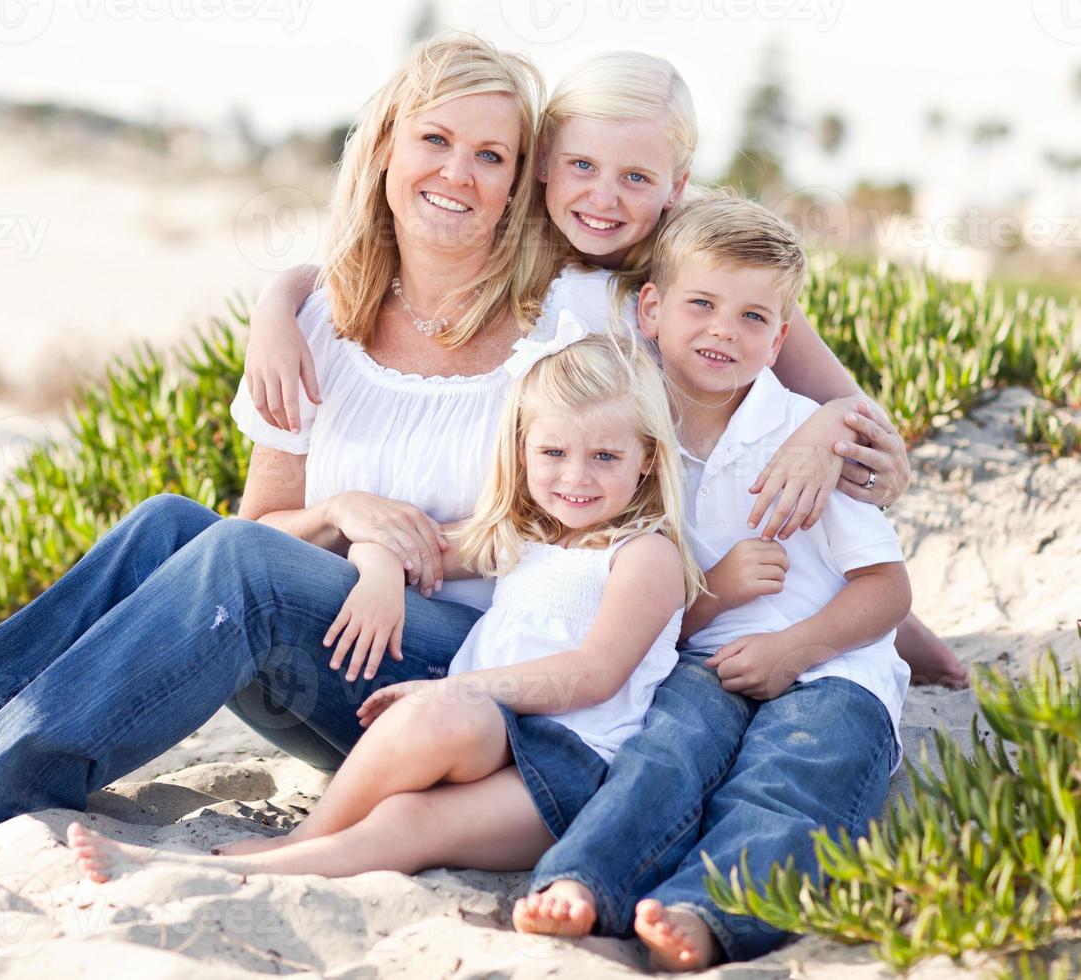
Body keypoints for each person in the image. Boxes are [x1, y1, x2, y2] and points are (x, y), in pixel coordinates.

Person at [0, 32, 586, 838]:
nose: (457, 173)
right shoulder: (318, 322)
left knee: (240, 564)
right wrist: (344, 513)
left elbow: (575, 529)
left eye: (491, 155)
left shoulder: (555, 328)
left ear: (518, 184)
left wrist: (393, 546)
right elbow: (264, 523)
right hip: (334, 660)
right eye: (434, 140)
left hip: (463, 681)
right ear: (383, 153)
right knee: (169, 525)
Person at [241, 50, 965, 689]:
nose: (603, 198)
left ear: (675, 187)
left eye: (636, 177)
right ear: (545, 163)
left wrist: (831, 429)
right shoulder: (524, 248)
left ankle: (898, 626)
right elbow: (376, 259)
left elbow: (845, 415)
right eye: (581, 167)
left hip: (678, 526)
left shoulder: (701, 264)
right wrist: (278, 302)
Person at [68, 327, 700, 881]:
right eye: (554, 453)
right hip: (490, 730)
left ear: (647, 461)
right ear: (524, 450)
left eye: (606, 457)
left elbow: (594, 676)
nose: (576, 477)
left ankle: (265, 858)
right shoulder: (520, 536)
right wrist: (376, 577)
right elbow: (393, 544)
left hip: (571, 765)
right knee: (441, 717)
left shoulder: (644, 556)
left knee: (409, 814)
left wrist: (457, 689)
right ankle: (304, 838)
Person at [517, 192, 912, 971]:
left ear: (779, 340)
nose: (723, 331)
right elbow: (643, 600)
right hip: (699, 660)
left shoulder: (803, 434)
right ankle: (584, 882)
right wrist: (716, 601)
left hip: (833, 668)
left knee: (797, 772)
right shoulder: (629, 434)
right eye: (701, 304)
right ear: (652, 310)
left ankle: (708, 910)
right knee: (664, 755)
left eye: (753, 318)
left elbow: (889, 592)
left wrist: (795, 648)